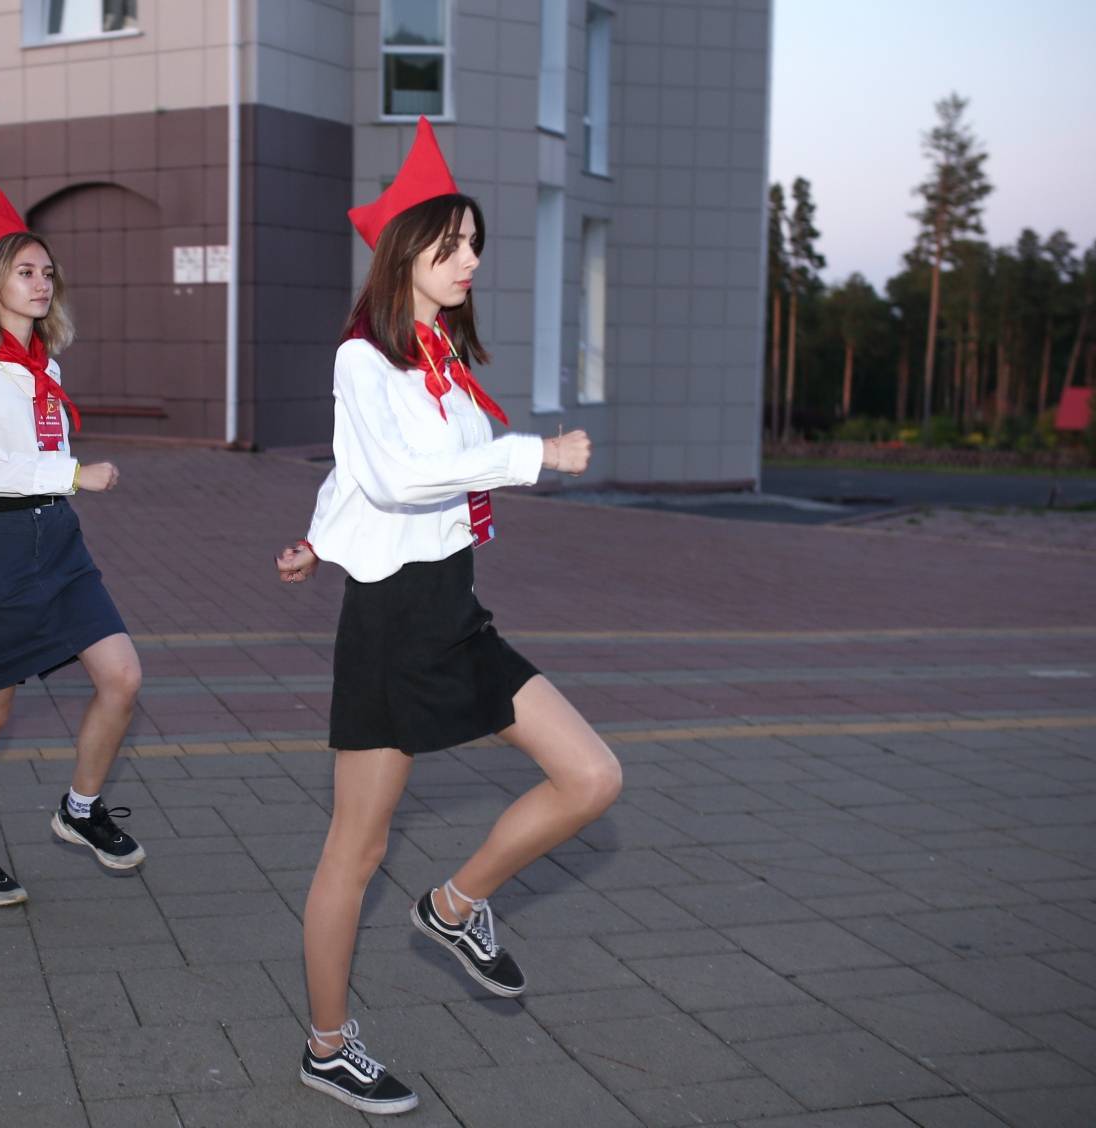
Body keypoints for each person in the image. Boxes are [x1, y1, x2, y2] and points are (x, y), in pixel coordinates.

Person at [275, 119, 622, 1114]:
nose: (469, 259)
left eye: (474, 244)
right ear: (406, 254)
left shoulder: (441, 357)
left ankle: (455, 906)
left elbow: (357, 480)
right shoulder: (363, 358)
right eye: (452, 243)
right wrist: (531, 456)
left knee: (592, 775)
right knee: (358, 847)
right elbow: (390, 473)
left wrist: (317, 540)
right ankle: (327, 1044)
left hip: (454, 611)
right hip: (390, 627)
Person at [0, 190, 144, 907]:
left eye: (47, 270)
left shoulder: (45, 366)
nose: (42, 281)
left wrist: (64, 482)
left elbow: (42, 448)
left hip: (57, 538)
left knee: (122, 677)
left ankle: (79, 810)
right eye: (26, 270)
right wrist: (75, 474)